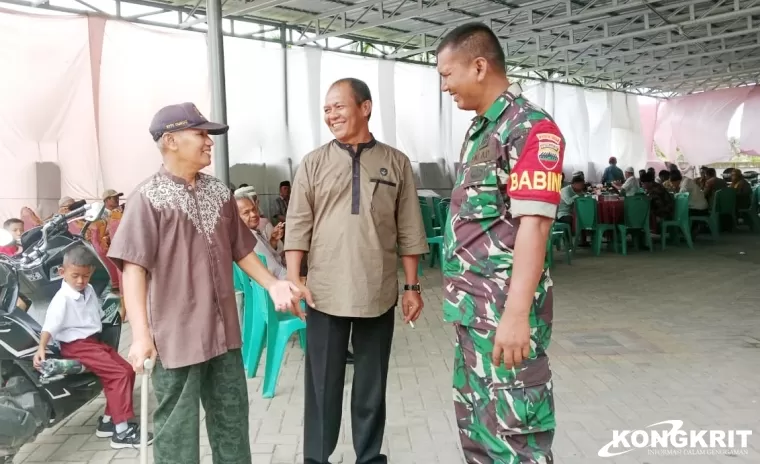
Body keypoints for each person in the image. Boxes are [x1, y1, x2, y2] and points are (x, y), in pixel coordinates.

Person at [107, 102, 307, 464]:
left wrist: (272, 284)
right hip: (175, 340)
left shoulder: (219, 192)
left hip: (225, 335)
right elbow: (132, 269)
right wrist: (140, 335)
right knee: (177, 438)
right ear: (170, 141)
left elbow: (241, 250)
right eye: (200, 134)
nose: (208, 142)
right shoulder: (146, 199)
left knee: (232, 429)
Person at [284, 77, 429, 464]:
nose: (331, 114)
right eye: (327, 109)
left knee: (371, 384)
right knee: (322, 385)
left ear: (365, 107)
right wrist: (294, 280)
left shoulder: (395, 162)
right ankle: (317, 458)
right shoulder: (313, 163)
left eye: (339, 106)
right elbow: (297, 224)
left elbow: (409, 228)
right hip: (324, 292)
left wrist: (412, 286)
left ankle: (368, 457)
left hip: (378, 291)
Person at [436, 23, 561, 463]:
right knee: (479, 434)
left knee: (515, 441)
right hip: (474, 317)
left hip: (504, 318)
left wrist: (516, 314)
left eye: (447, 74)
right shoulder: (481, 130)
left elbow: (535, 227)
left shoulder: (530, 127)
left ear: (480, 66)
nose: (445, 85)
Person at [32, 246, 150, 449]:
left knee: (127, 371)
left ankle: (107, 422)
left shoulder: (89, 291)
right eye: (75, 275)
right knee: (118, 375)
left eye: (85, 276)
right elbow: (49, 326)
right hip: (76, 346)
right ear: (63, 272)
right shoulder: (62, 299)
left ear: (91, 273)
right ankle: (121, 432)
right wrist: (41, 347)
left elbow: (96, 316)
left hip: (94, 343)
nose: (80, 281)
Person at [235, 192, 286, 279]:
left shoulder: (244, 234)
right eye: (246, 212)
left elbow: (265, 258)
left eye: (254, 209)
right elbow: (277, 272)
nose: (254, 214)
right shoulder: (250, 237)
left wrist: (273, 241)